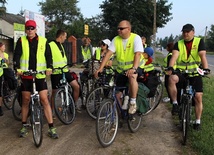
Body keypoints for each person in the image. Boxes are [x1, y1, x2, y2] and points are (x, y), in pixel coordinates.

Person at [13, 20, 58, 138]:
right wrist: (17, 67)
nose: (30, 30)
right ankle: (23, 125)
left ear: (36, 29)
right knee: (26, 100)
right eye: (28, 28)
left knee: (44, 99)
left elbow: (49, 56)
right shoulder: (21, 40)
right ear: (25, 30)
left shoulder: (44, 41)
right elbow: (17, 55)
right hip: (26, 75)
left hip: (39, 75)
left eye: (32, 28)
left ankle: (51, 127)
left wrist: (49, 67)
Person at [167, 24, 210, 130]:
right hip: (182, 73)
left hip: (195, 74)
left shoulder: (199, 41)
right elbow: (174, 56)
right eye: (184, 32)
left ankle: (197, 122)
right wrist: (171, 67)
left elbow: (202, 56)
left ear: (193, 32)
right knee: (172, 79)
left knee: (198, 97)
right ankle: (175, 104)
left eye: (188, 31)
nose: (185, 34)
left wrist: (206, 69)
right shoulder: (179, 44)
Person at [95, 20, 144, 114]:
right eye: (118, 28)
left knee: (132, 77)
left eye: (121, 28)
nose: (119, 30)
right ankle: (120, 115)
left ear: (128, 29)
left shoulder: (135, 38)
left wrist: (133, 68)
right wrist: (100, 68)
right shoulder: (116, 39)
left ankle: (133, 102)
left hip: (135, 67)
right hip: (121, 70)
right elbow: (108, 54)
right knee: (116, 93)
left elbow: (137, 54)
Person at [49, 29, 80, 112]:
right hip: (56, 72)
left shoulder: (61, 45)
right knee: (54, 92)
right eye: (65, 37)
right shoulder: (50, 45)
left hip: (65, 71)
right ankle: (51, 110)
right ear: (61, 36)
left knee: (76, 86)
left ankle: (73, 105)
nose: (65, 38)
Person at [0, 42, 8, 116]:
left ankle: (0, 107)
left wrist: (5, 60)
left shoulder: (5, 55)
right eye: (3, 47)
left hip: (1, 74)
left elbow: (6, 64)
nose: (4, 48)